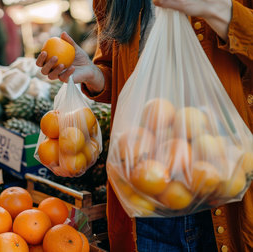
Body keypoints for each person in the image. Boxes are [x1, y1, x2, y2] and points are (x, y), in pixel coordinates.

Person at [37, 0, 253, 251]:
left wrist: (214, 8)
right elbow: (120, 72)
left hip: (222, 180)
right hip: (147, 183)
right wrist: (94, 75)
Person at [0, 0, 22, 65]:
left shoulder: (5, 18)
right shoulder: (8, 17)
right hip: (13, 45)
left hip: (10, 46)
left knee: (12, 64)